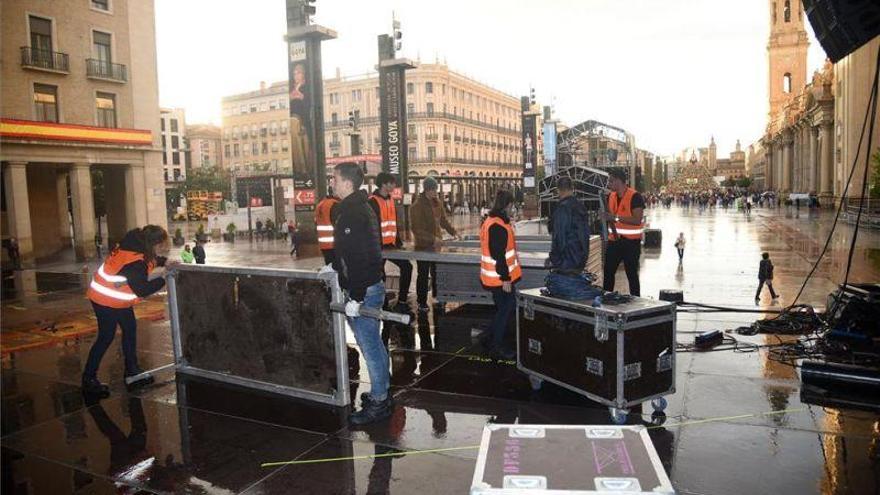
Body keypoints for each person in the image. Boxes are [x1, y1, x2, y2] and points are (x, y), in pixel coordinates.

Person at [328, 162, 391, 425]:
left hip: (364, 288)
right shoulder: (358, 207)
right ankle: (383, 392)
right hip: (368, 285)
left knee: (370, 346)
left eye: (334, 178)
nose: (331, 182)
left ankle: (379, 401)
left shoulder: (353, 212)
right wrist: (332, 266)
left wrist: (355, 296)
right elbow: (351, 252)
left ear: (346, 183)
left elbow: (361, 257)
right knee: (374, 344)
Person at [82, 225, 174, 396]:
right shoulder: (135, 261)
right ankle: (88, 379)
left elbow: (148, 260)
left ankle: (132, 370)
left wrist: (163, 262)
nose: (161, 249)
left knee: (130, 329)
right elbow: (142, 289)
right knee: (106, 337)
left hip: (114, 298)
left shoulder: (132, 246)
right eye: (160, 245)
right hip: (105, 299)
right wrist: (164, 277)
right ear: (152, 244)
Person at [480, 190, 521, 360]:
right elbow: (498, 253)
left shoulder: (493, 221)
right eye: (512, 206)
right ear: (507, 206)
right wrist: (505, 278)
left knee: (503, 309)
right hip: (499, 278)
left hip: (495, 277)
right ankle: (495, 345)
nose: (514, 209)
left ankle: (488, 337)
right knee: (506, 308)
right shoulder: (497, 225)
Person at [410, 177, 458, 312]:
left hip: (437, 245)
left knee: (437, 272)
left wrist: (453, 232)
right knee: (423, 274)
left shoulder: (437, 203)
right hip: (423, 246)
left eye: (435, 190)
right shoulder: (417, 206)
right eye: (432, 190)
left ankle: (439, 297)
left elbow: (443, 220)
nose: (435, 193)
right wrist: (432, 238)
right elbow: (417, 229)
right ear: (426, 190)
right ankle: (421, 302)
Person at [545, 176, 595, 299]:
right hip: (580, 259)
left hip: (567, 261)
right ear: (572, 188)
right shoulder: (580, 207)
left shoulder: (563, 209)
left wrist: (553, 258)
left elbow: (559, 238)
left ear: (558, 190)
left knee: (564, 297)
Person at [369, 172, 413, 308]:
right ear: (384, 184)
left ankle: (402, 300)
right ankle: (383, 303)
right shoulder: (372, 201)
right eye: (392, 183)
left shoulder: (391, 200)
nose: (394, 186)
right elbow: (372, 226)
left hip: (392, 245)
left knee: (407, 266)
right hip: (378, 246)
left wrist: (398, 242)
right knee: (379, 273)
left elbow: (393, 223)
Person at [601, 168, 645, 296]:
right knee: (608, 271)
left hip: (631, 243)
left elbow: (637, 220)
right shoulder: (611, 196)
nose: (609, 184)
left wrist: (614, 217)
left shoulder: (635, 196)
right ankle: (607, 298)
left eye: (611, 181)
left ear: (619, 181)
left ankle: (636, 301)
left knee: (631, 274)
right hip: (614, 241)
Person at [315, 188, 340, 265]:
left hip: (323, 244)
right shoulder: (334, 204)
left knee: (329, 266)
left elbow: (316, 224)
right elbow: (339, 224)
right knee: (337, 269)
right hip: (335, 244)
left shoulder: (320, 204)